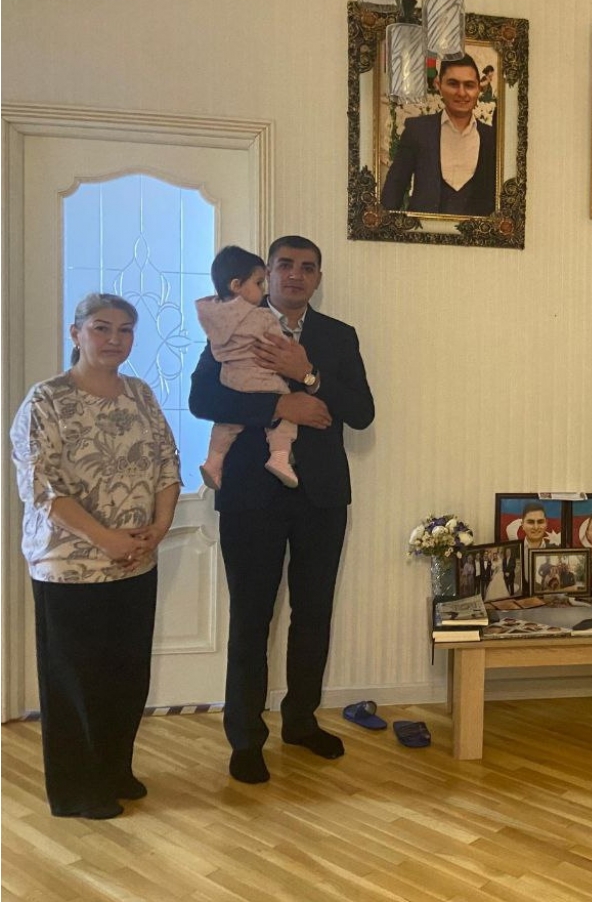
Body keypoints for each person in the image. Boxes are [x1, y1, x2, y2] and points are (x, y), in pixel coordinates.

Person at [189, 235, 374, 785]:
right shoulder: (234, 320)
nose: (296, 275)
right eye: (285, 265)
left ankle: (300, 721)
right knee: (252, 619)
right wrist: (279, 403)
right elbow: (203, 399)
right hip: (251, 496)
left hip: (321, 497)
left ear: (318, 278)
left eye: (307, 268)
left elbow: (362, 412)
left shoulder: (338, 336)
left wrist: (309, 373)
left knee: (313, 616)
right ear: (266, 274)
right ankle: (245, 739)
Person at [10, 293, 180, 819]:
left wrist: (159, 527)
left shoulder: (141, 394)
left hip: (136, 561)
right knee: (76, 683)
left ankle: (113, 770)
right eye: (102, 328)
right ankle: (77, 790)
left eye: (125, 330)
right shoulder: (46, 399)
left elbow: (168, 464)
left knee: (126, 676)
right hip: (70, 566)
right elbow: (41, 487)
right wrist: (105, 539)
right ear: (76, 333)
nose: (114, 339)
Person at [195, 245, 298, 491]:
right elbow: (280, 348)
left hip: (231, 378)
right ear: (236, 285)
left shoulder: (214, 320)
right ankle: (280, 457)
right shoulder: (262, 317)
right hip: (261, 379)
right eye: (259, 282)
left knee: (226, 424)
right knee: (286, 417)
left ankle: (213, 462)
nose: (263, 289)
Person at [381, 54, 497, 216]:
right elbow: (394, 189)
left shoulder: (493, 138)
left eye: (469, 85)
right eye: (453, 84)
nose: (461, 92)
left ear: (479, 88)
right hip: (424, 230)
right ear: (439, 85)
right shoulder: (418, 130)